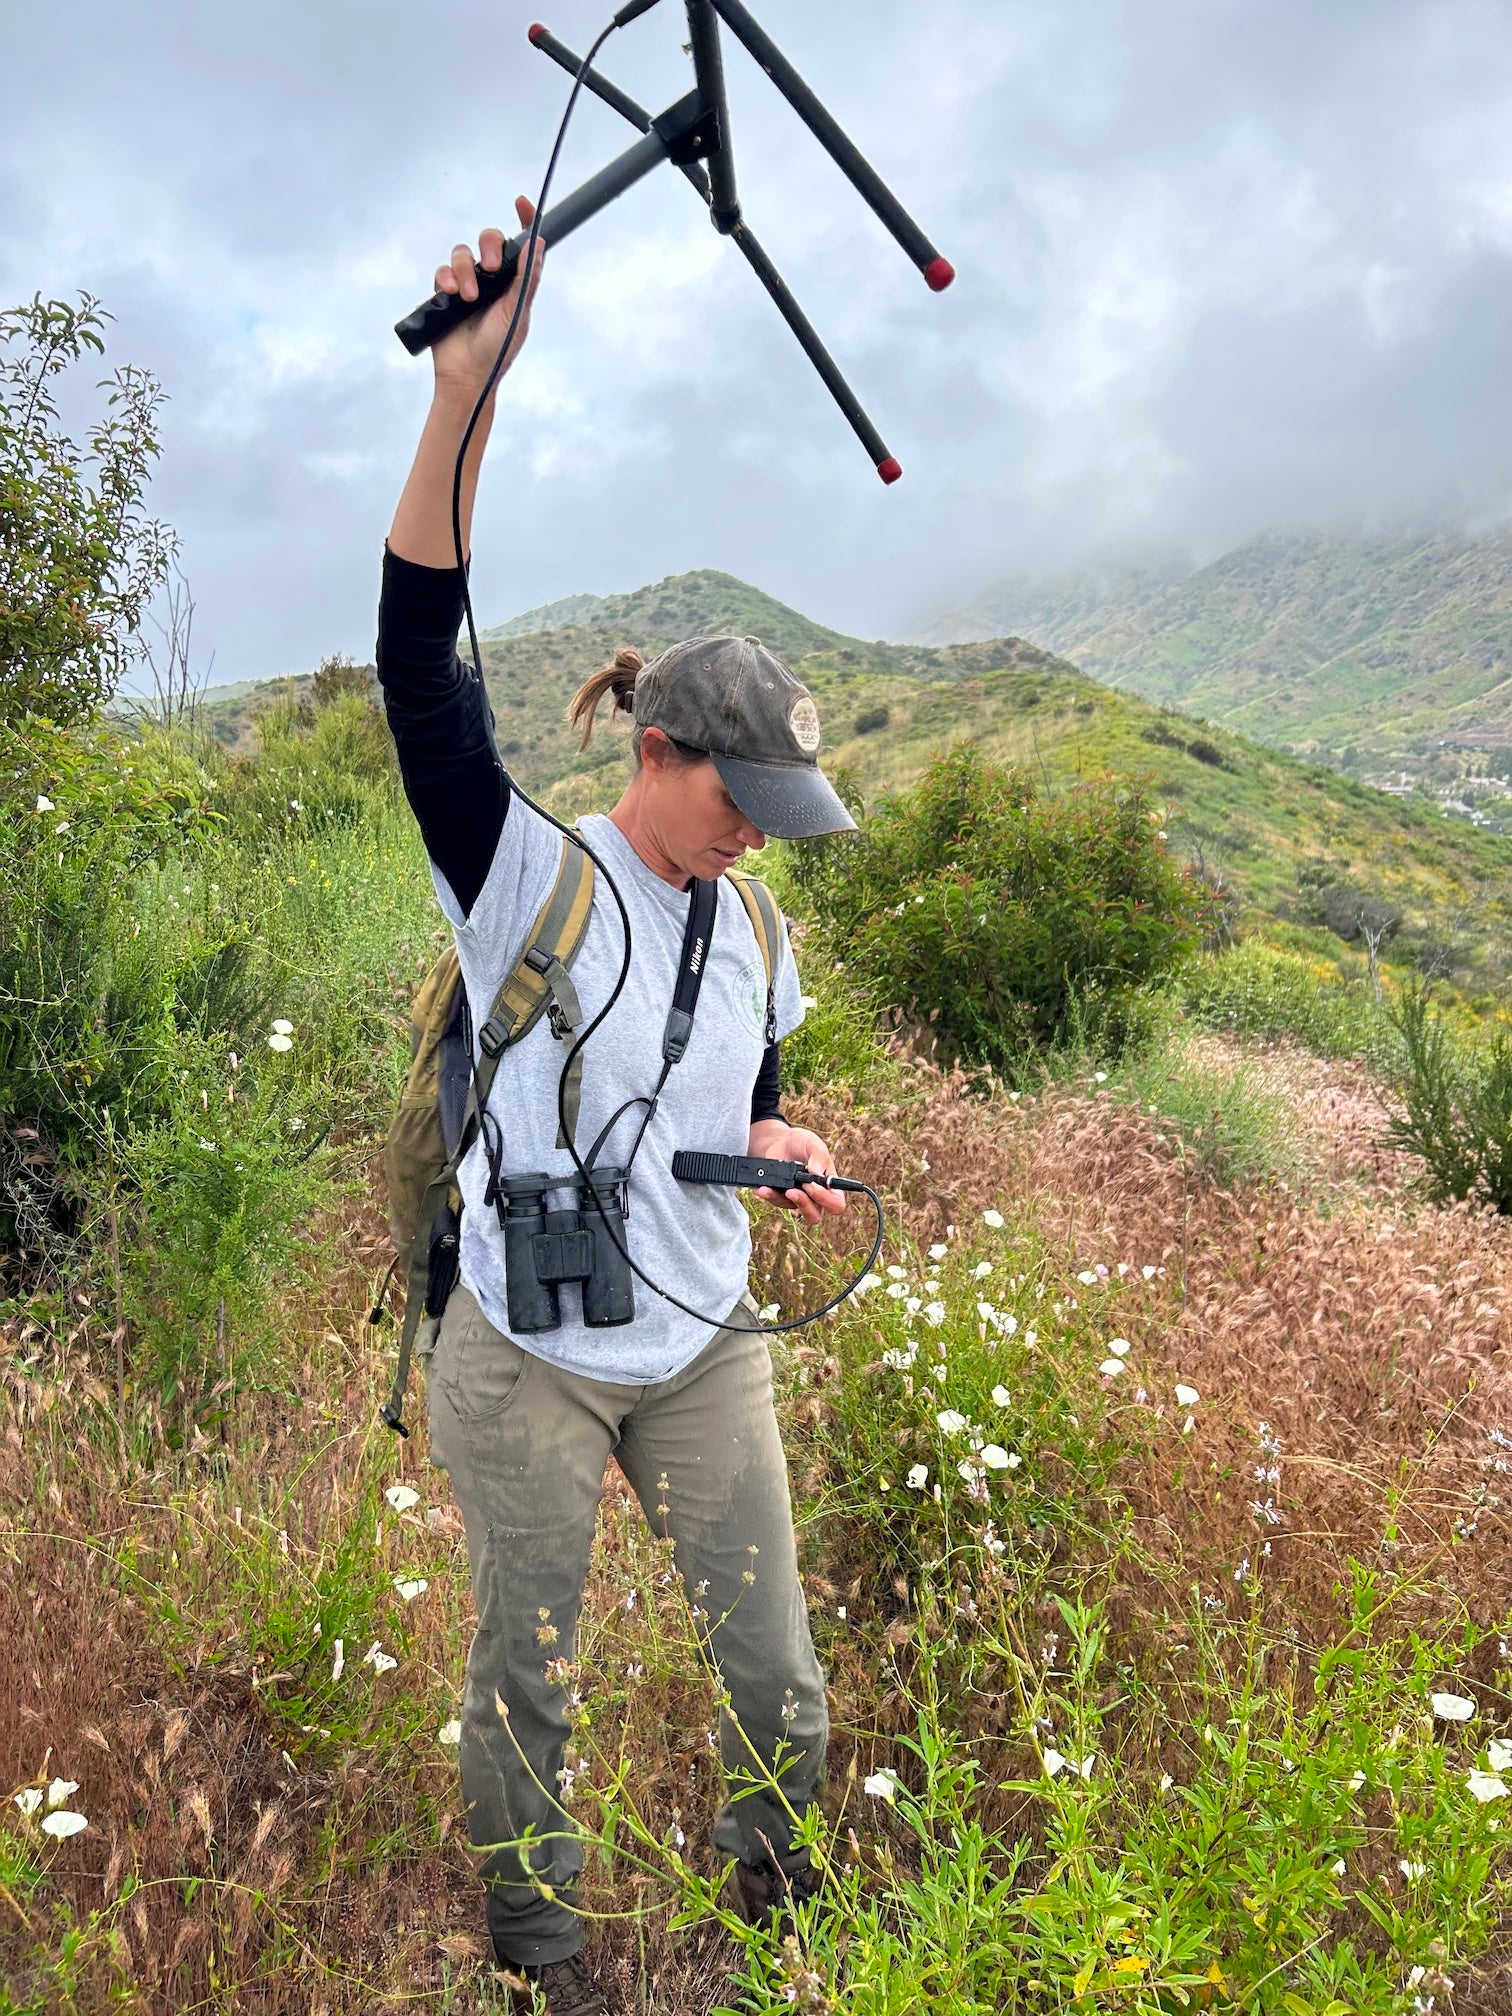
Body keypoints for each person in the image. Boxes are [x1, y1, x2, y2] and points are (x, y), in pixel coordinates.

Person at [375, 200, 857, 2015]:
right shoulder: (526, 876)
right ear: (655, 751)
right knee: (527, 1674)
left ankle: (773, 1932)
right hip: (526, 1344)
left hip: (701, 1338)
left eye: (772, 808)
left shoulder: (754, 918)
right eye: (732, 794)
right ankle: (547, 1964)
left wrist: (783, 1153)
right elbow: (423, 676)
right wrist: (462, 403)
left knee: (779, 1680)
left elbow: (742, 1102)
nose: (750, 831)